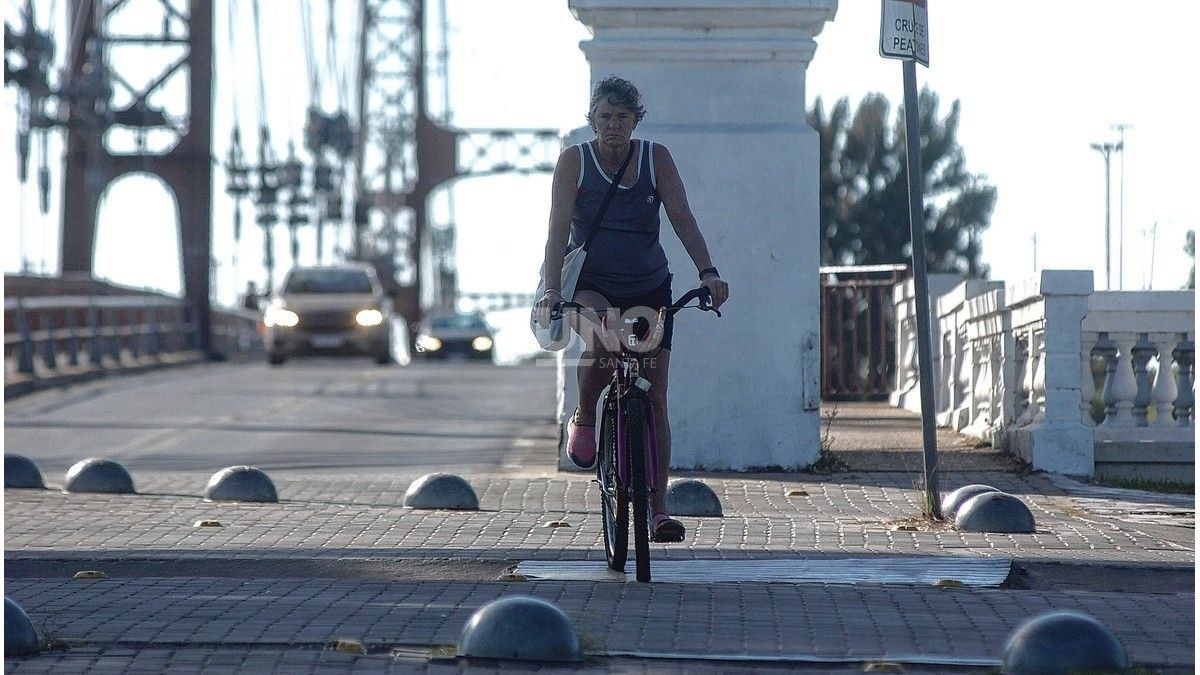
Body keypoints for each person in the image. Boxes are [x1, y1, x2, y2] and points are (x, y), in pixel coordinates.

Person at [535, 76, 730, 543]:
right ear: (592, 120)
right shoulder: (574, 163)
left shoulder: (655, 158)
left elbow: (682, 217)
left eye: (622, 117)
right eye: (604, 117)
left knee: (655, 393)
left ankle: (658, 511)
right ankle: (585, 416)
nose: (613, 126)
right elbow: (558, 230)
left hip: (648, 284)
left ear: (636, 121)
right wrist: (551, 289)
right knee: (604, 337)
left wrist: (708, 272)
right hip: (592, 285)